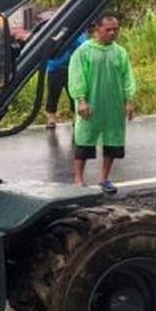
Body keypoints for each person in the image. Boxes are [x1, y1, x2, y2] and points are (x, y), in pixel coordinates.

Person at [68, 15, 136, 194]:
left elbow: (127, 77)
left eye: (115, 29)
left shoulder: (120, 52)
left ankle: (104, 179)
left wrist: (129, 100)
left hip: (114, 105)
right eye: (108, 29)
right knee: (84, 140)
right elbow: (76, 76)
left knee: (112, 140)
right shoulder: (84, 51)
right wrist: (81, 100)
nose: (113, 33)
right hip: (91, 104)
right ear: (97, 29)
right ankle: (78, 180)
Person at [44, 30, 88, 129]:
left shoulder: (79, 33)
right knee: (53, 93)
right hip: (55, 67)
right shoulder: (55, 30)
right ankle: (51, 117)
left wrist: (70, 38)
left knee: (74, 94)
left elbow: (83, 47)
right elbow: (49, 47)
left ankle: (76, 117)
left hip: (73, 68)